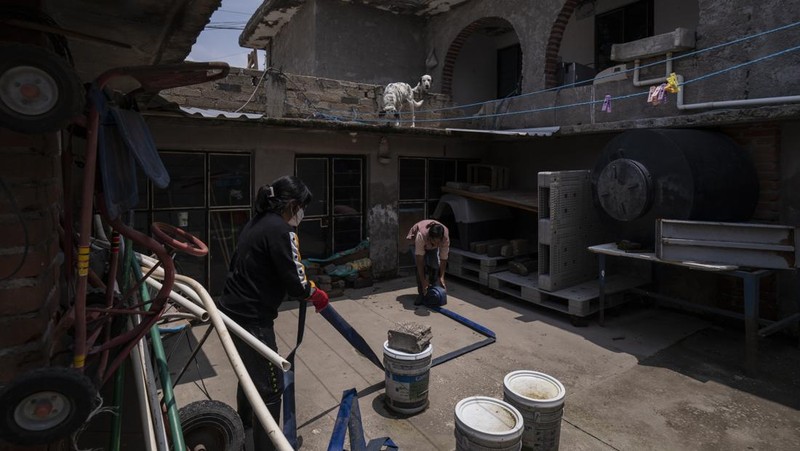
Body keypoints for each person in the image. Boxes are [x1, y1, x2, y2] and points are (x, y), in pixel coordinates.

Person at [217, 175, 329, 450]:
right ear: (292, 204)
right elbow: (296, 281)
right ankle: (266, 445)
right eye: (302, 207)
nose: (302, 214)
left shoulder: (255, 223)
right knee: (270, 385)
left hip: (230, 311)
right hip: (253, 319)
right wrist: (315, 293)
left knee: (248, 376)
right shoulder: (282, 230)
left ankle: (243, 430)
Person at [406, 219, 450, 305]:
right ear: (430, 237)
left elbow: (443, 258)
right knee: (421, 267)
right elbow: (420, 262)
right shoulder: (421, 236)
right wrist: (423, 281)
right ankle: (422, 293)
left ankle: (432, 291)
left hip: (430, 245)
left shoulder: (445, 236)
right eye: (435, 241)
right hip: (415, 241)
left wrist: (441, 277)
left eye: (438, 242)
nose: (437, 244)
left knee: (434, 265)